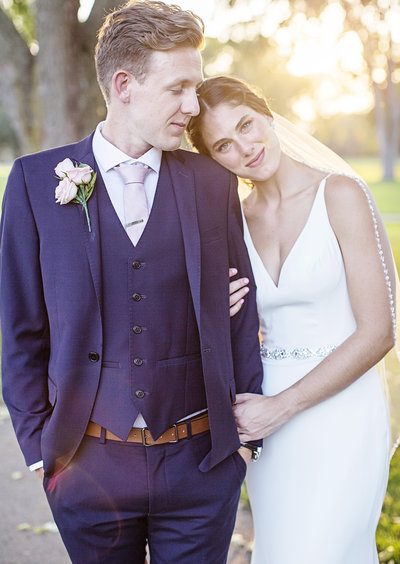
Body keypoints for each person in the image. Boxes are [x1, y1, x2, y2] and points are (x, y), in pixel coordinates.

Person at [0, 6, 263, 563]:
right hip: (85, 468)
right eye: (179, 89)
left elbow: (241, 309)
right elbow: (19, 328)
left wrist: (242, 444)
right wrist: (40, 453)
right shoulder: (34, 182)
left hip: (201, 467)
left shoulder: (212, 183)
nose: (193, 107)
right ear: (123, 85)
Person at [187, 75, 396, 564]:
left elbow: (380, 331)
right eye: (224, 145)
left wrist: (284, 406)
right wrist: (223, 308)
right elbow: (229, 328)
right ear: (214, 159)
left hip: (342, 409)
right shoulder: (232, 221)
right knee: (281, 551)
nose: (245, 147)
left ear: (267, 114)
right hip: (265, 420)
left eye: (246, 124)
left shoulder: (341, 195)